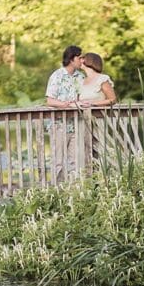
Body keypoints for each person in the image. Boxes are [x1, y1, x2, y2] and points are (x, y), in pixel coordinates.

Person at [45, 45, 84, 183]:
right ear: (72, 59)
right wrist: (67, 105)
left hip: (76, 124)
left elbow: (81, 98)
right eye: (80, 58)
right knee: (58, 162)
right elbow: (50, 100)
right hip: (58, 125)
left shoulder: (80, 77)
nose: (82, 61)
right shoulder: (57, 76)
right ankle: (56, 191)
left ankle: (75, 193)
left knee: (76, 161)